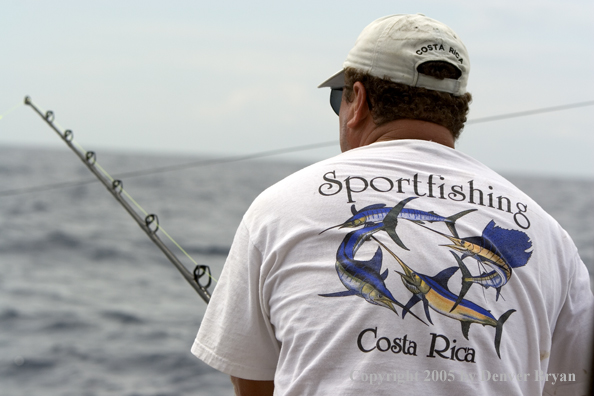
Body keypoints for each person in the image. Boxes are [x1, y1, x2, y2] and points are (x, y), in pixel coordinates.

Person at [191, 14, 594, 395]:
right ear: (457, 112)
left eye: (339, 99)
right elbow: (571, 382)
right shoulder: (551, 238)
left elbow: (252, 381)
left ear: (359, 102)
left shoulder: (277, 208)